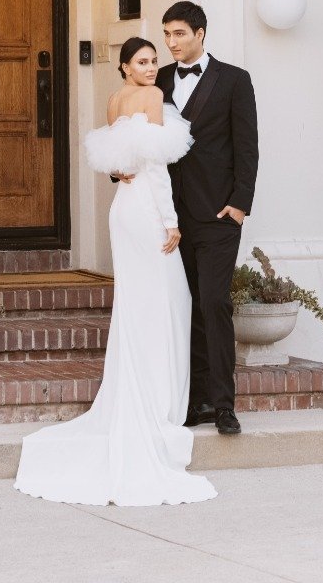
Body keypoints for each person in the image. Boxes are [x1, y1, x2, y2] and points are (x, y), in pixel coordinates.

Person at [14, 36, 216, 507]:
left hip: (122, 210)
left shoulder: (114, 101)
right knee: (168, 301)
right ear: (125, 67)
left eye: (153, 61)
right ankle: (160, 402)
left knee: (139, 303)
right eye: (142, 62)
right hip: (146, 209)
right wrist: (171, 220)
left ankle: (142, 390)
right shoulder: (150, 97)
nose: (151, 68)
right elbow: (155, 167)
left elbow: (119, 164)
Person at [156, 0, 259, 436]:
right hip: (170, 220)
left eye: (178, 34)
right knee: (184, 308)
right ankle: (192, 401)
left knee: (214, 303)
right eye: (167, 35)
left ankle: (223, 406)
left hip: (218, 216)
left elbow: (247, 145)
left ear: (200, 33)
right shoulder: (158, 80)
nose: (171, 43)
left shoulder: (234, 80)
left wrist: (240, 204)